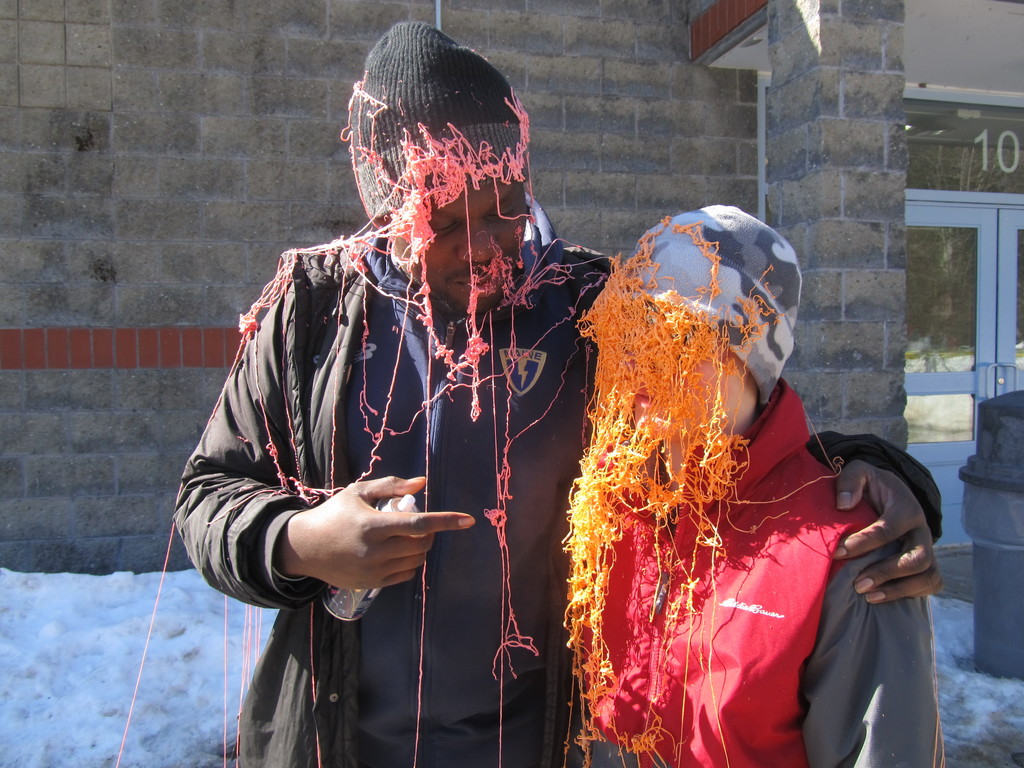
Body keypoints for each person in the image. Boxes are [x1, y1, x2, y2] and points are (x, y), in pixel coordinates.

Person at [174, 22, 941, 768]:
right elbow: (206, 497)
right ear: (386, 212)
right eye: (447, 220)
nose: (485, 241)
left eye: (505, 205)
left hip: (532, 743)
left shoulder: (577, 300)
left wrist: (869, 472)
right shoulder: (310, 312)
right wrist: (299, 542)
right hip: (333, 740)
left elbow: (717, 396)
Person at [565, 207, 943, 767]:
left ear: (749, 358)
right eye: (630, 330)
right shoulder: (608, 502)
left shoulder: (847, 549)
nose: (640, 362)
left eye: (677, 339)